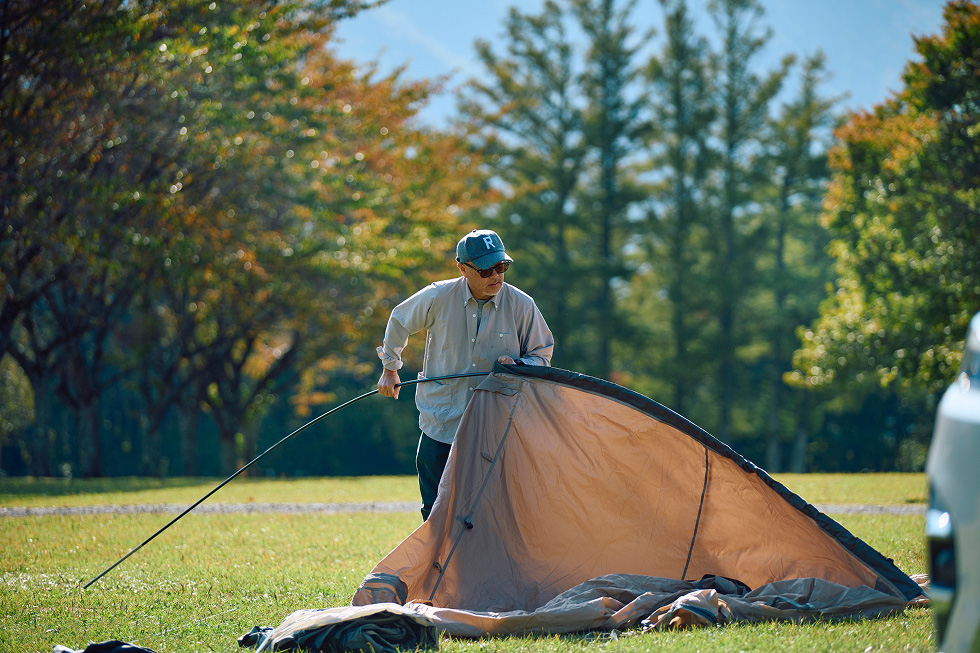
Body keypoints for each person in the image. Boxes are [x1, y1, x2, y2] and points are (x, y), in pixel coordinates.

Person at [377, 229, 554, 520]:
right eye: (486, 270)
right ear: (462, 269)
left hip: (496, 426)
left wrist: (519, 366)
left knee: (492, 513)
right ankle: (438, 565)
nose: (496, 276)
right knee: (434, 510)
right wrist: (389, 368)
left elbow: (542, 355)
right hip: (440, 421)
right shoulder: (437, 296)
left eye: (502, 267)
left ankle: (488, 566)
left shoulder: (523, 305)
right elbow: (399, 319)